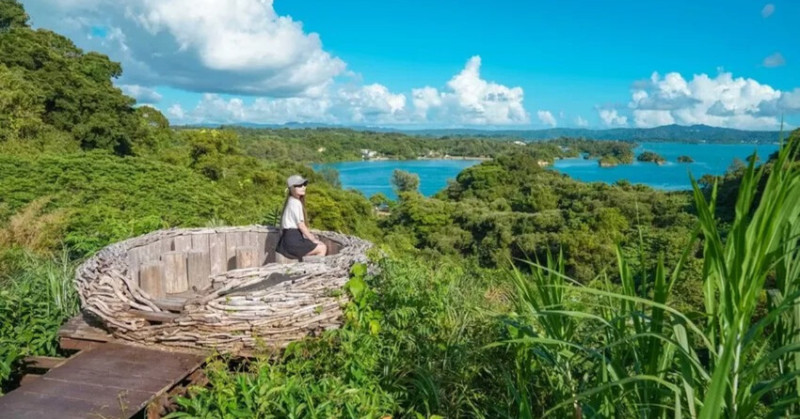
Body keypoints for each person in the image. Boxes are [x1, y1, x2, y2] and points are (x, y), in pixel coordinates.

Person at [275, 175, 327, 259]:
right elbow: (301, 225)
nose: (303, 187)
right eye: (299, 185)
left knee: (317, 247)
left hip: (287, 241)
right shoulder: (295, 203)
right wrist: (313, 239)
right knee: (322, 248)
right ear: (291, 188)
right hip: (293, 241)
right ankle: (314, 269)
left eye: (304, 184)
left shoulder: (290, 201)